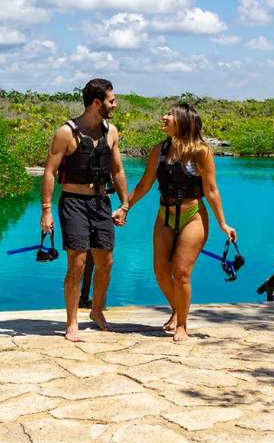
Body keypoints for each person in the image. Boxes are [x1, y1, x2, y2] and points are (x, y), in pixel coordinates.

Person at [123, 102, 236, 342]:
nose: (164, 117)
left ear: (183, 122)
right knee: (161, 273)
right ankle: (177, 308)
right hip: (164, 215)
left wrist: (223, 224)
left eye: (170, 115)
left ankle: (182, 325)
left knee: (181, 272)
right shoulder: (159, 150)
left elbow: (212, 190)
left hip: (192, 215)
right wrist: (125, 208)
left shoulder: (201, 151)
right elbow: (144, 185)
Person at [40, 79, 129, 342]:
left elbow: (118, 170)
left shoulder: (111, 131)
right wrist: (46, 210)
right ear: (96, 102)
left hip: (102, 203)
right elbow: (49, 172)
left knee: (106, 262)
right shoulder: (66, 132)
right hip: (74, 203)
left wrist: (124, 205)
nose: (115, 105)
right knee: (77, 264)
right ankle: (71, 322)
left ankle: (97, 311)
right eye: (111, 100)